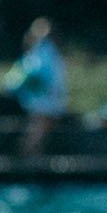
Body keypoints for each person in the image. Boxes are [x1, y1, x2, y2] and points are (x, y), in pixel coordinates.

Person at [9, 17, 66, 158]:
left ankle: (32, 155)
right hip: (44, 99)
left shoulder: (41, 48)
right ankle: (28, 155)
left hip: (42, 98)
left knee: (40, 130)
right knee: (38, 130)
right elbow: (43, 74)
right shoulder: (44, 49)